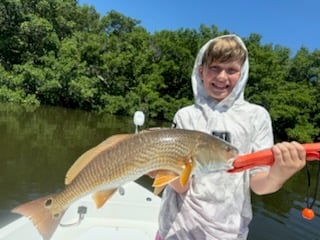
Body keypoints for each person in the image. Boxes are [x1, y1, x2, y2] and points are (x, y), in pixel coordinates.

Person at [155, 34, 306, 240]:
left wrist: (279, 173)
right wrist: (159, 166)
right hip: (176, 229)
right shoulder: (185, 115)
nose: (222, 77)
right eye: (215, 68)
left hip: (227, 233)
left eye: (231, 70)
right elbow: (182, 186)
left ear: (242, 73)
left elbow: (259, 185)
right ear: (201, 71)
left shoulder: (257, 117)